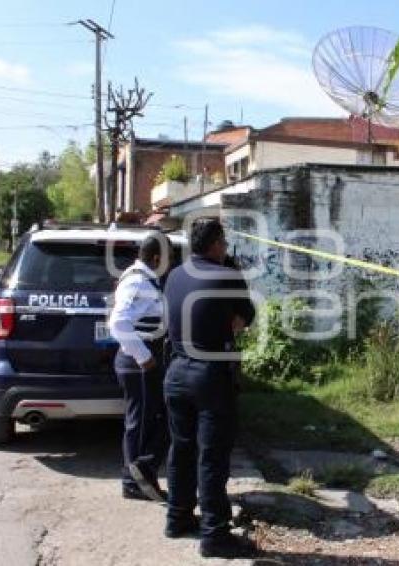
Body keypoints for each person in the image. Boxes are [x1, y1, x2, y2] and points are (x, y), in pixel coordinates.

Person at [162, 218, 256, 559]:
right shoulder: (227, 276)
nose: (226, 248)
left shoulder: (173, 275)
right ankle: (215, 534)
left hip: (175, 371)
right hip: (210, 374)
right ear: (216, 244)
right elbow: (243, 319)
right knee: (212, 456)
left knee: (181, 450)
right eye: (225, 243)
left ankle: (178, 517)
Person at [108, 235, 171, 502]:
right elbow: (118, 323)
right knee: (141, 424)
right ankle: (134, 482)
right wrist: (144, 357)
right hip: (138, 363)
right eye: (168, 257)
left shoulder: (145, 280)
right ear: (156, 258)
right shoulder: (137, 282)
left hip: (143, 360)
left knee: (146, 422)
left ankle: (138, 478)